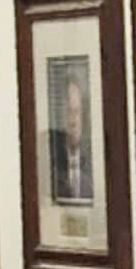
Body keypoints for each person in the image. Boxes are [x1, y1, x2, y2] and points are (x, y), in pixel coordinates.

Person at [49, 70, 93, 204]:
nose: (73, 121)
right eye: (69, 112)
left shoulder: (92, 161)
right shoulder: (51, 162)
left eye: (77, 112)